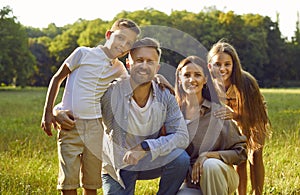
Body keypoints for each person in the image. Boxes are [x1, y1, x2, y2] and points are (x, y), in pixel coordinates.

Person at [40, 18, 140, 195]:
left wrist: (160, 79)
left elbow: (136, 83)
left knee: (92, 181)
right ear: (108, 35)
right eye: (120, 38)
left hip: (95, 127)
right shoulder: (83, 53)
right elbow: (57, 79)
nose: (123, 45)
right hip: (70, 124)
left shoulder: (118, 69)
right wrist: (48, 112)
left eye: (129, 43)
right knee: (68, 182)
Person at [100, 37, 190, 195]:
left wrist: (145, 147)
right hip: (117, 166)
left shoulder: (165, 95)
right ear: (129, 64)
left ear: (157, 67)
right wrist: (57, 111)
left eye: (150, 61)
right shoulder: (111, 93)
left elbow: (182, 136)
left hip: (149, 159)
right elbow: (80, 103)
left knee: (180, 158)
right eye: (139, 60)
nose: (144, 65)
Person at [175, 56, 248, 195]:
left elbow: (241, 152)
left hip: (220, 175)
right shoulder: (173, 115)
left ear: (205, 79)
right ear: (179, 79)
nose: (192, 80)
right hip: (192, 183)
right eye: (186, 75)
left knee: (210, 165)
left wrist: (209, 155)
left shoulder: (217, 113)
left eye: (197, 75)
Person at [207, 40, 271, 195]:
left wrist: (235, 115)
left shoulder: (246, 82)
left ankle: (257, 192)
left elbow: (255, 115)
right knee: (239, 156)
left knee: (255, 155)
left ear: (234, 64)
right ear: (210, 66)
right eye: (217, 64)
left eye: (227, 64)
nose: (222, 68)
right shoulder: (209, 83)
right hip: (233, 121)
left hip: (255, 117)